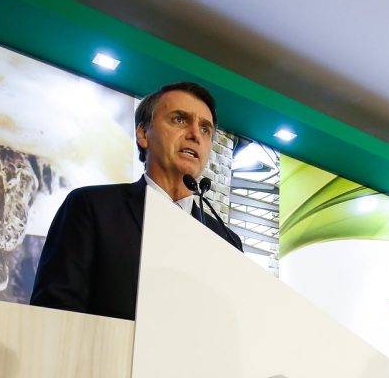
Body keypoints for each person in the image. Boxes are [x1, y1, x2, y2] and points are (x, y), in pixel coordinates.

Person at [31, 82, 243, 320]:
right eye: (179, 120)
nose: (195, 135)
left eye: (205, 129)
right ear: (143, 134)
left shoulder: (227, 242)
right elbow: (55, 312)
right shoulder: (91, 207)